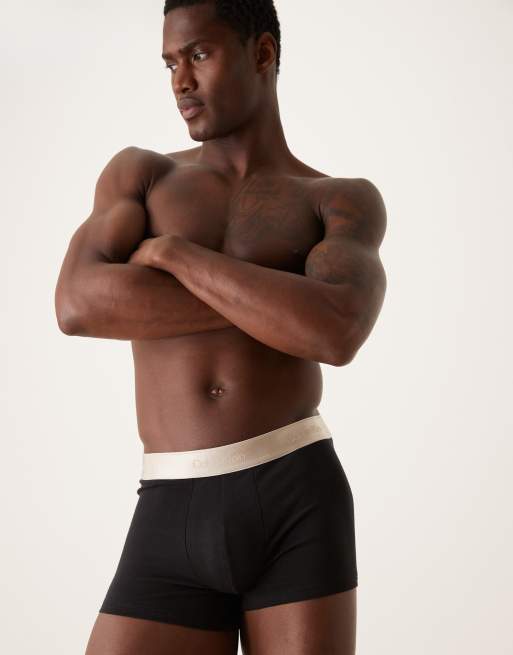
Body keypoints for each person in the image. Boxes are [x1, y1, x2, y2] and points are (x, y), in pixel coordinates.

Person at [55, 1, 387, 653]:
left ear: (262, 53)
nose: (181, 81)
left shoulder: (336, 197)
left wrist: (178, 256)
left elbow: (337, 330)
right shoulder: (144, 175)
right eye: (170, 64)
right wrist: (281, 301)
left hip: (297, 495)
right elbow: (77, 303)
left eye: (199, 54)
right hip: (171, 501)